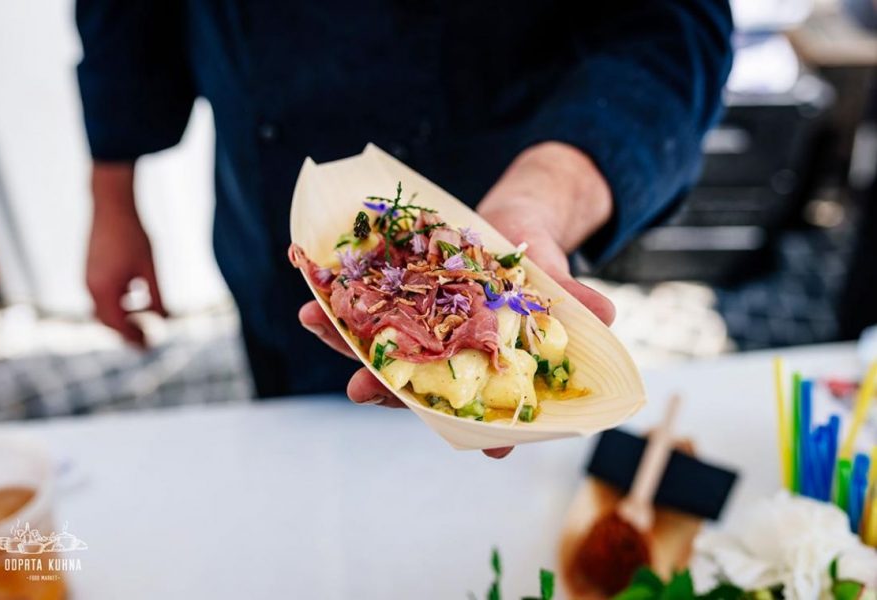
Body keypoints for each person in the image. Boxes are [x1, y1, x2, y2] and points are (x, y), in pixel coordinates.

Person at [77, 3, 733, 417]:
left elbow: (670, 26)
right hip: (271, 205)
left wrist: (544, 191)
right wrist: (112, 193)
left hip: (491, 173)